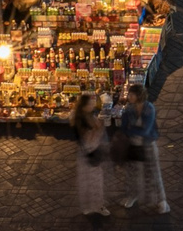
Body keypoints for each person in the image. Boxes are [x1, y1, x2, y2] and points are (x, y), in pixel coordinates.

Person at [115, 81, 168, 213]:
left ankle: (161, 201)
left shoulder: (149, 108)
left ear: (138, 95)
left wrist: (131, 130)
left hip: (148, 144)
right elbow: (123, 127)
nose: (129, 97)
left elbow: (145, 130)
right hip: (133, 145)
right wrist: (131, 131)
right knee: (131, 173)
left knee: (153, 173)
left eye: (131, 95)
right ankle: (132, 195)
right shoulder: (129, 109)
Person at [72, 91, 112, 218]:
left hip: (86, 154)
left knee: (87, 181)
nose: (93, 104)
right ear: (84, 106)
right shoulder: (83, 121)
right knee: (95, 182)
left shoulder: (84, 117)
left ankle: (89, 206)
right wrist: (99, 128)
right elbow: (89, 138)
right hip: (91, 153)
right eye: (90, 103)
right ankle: (98, 206)